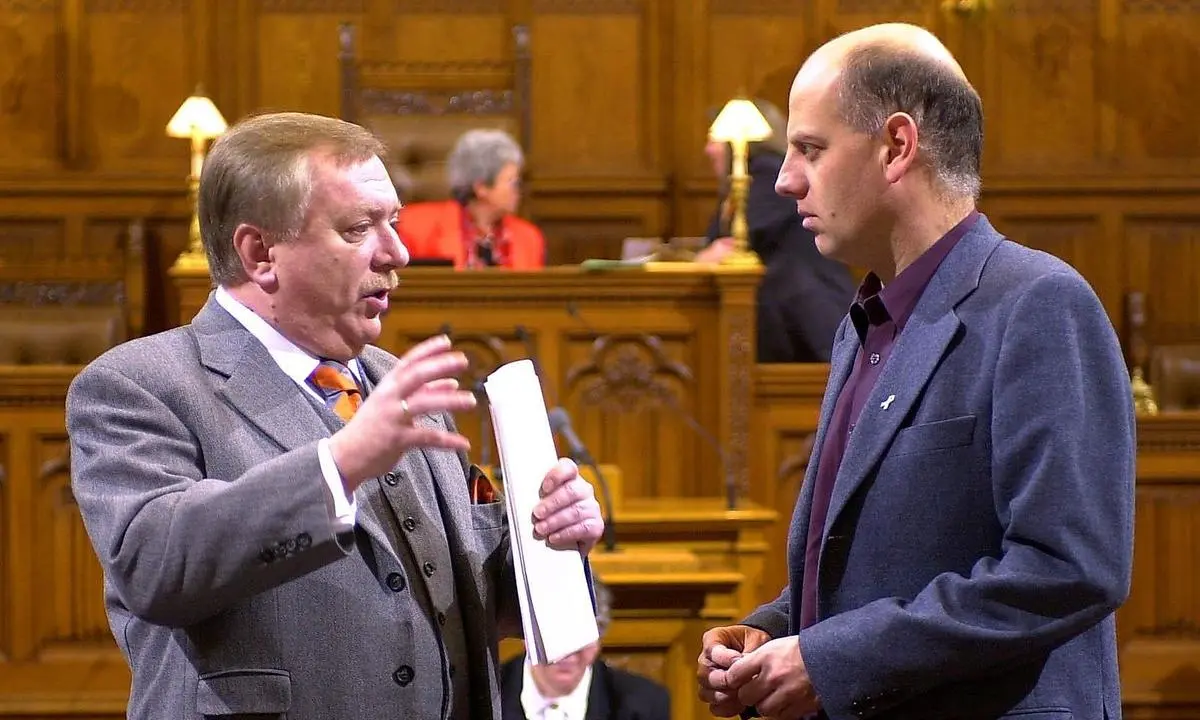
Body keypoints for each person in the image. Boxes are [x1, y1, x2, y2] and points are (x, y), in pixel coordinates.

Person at [66, 112, 603, 720]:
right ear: (260, 252)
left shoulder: (392, 380)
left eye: (393, 223)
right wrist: (341, 464)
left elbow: (470, 604)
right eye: (358, 229)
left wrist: (547, 542)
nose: (398, 253)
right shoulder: (139, 386)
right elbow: (157, 568)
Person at [696, 23, 1135, 720]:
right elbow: (880, 564)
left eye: (810, 148)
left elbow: (1069, 569)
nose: (783, 180)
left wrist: (828, 660)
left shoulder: (1038, 303)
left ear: (897, 146)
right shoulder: (864, 320)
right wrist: (772, 633)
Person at [695, 99, 856, 363]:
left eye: (713, 138)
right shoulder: (761, 176)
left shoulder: (770, 175)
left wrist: (703, 257)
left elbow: (727, 239)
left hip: (809, 324)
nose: (707, 149)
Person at [500, 578, 670, 720]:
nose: (566, 650)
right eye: (555, 632)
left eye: (579, 634)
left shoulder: (643, 704)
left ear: (599, 638)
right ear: (527, 634)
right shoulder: (484, 694)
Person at [398, 128, 546, 269]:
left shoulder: (528, 238)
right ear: (481, 187)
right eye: (512, 182)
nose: (518, 190)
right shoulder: (416, 228)